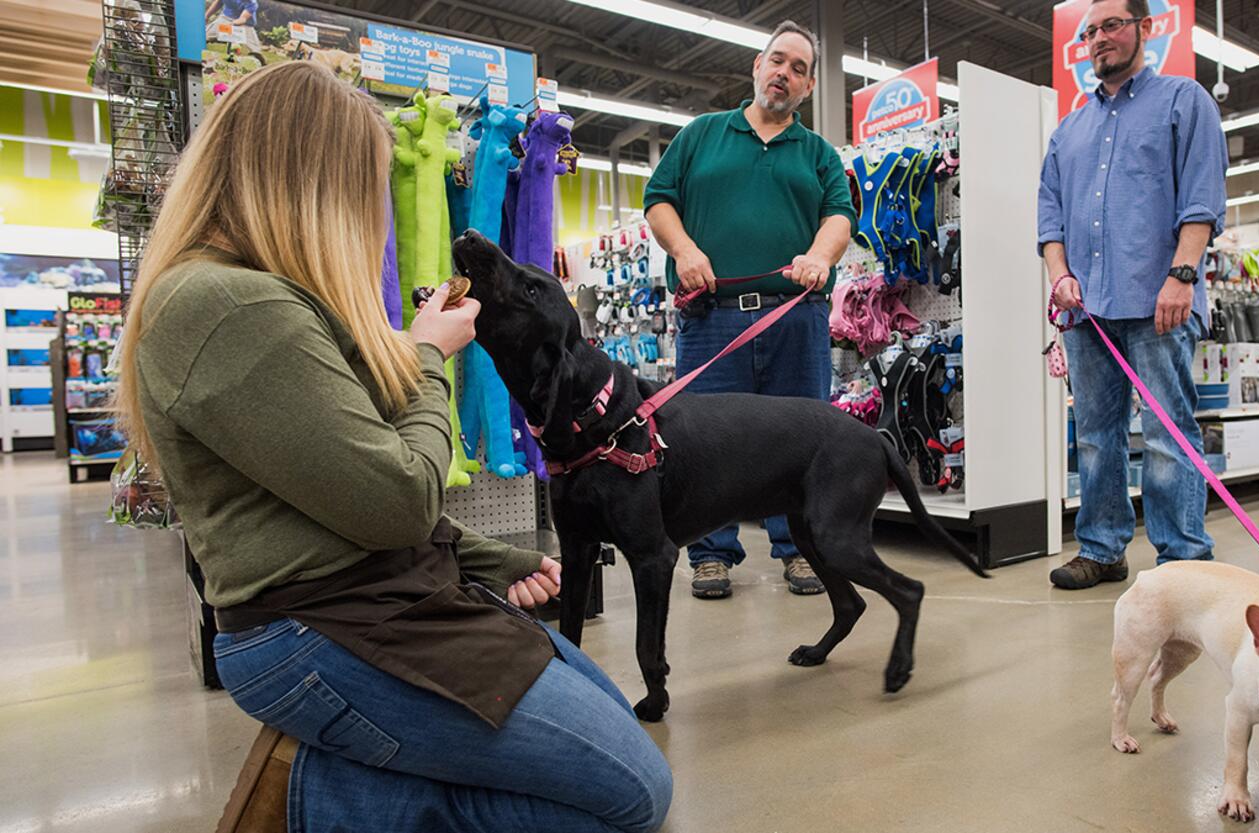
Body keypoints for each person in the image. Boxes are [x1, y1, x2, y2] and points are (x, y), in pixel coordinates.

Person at [114, 61, 670, 833]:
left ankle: (364, 775)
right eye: (368, 186)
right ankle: (344, 800)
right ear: (314, 181)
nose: (375, 214)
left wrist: (484, 556)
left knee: (615, 728)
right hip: (322, 624)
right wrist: (429, 359)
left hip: (379, 596)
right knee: (632, 791)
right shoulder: (224, 304)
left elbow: (329, 485)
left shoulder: (261, 295)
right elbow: (398, 498)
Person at [644, 20, 857, 600]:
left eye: (798, 68)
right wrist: (684, 250)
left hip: (794, 319)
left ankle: (800, 551)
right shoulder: (702, 135)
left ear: (809, 87)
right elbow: (658, 200)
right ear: (756, 67)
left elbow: (840, 216)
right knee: (705, 442)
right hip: (710, 319)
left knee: (799, 440)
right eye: (777, 61)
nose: (784, 74)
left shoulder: (816, 152)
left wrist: (818, 255)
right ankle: (712, 554)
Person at [1037, 0, 1228, 590]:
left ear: (1144, 29)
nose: (1099, 39)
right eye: (1089, 32)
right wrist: (1059, 274)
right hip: (1086, 309)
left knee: (1170, 432)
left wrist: (1182, 276)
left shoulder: (1182, 100)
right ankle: (1102, 549)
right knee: (1096, 436)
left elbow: (1202, 198)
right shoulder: (1070, 128)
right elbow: (1049, 214)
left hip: (1157, 302)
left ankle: (1184, 562)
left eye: (1111, 25)